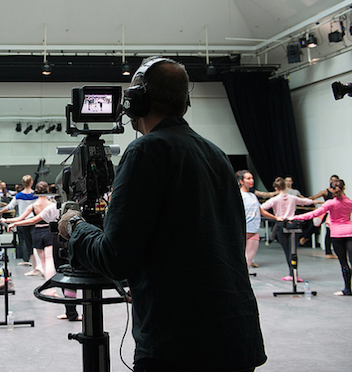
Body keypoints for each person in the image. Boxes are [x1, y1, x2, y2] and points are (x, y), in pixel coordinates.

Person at [58, 57, 266, 371]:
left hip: (178, 344)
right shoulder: (216, 154)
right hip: (237, 337)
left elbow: (116, 258)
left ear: (135, 102)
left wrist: (74, 226)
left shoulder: (146, 151)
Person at [293, 179, 352, 296]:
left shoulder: (330, 203)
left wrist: (295, 217)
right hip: (350, 233)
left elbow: (313, 214)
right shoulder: (349, 202)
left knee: (344, 263)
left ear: (331, 190)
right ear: (344, 188)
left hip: (336, 235)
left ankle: (347, 289)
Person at [4, 181, 57, 291]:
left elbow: (21, 219)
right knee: (49, 260)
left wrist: (8, 220)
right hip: (49, 232)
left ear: (36, 191)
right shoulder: (52, 205)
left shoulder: (33, 206)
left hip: (37, 233)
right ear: (47, 190)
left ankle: (46, 285)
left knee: (43, 262)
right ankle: (51, 289)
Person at [260, 177, 316, 281]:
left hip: (282, 224)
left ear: (276, 189)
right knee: (293, 250)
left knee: (287, 251)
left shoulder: (274, 199)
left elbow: (262, 208)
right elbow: (305, 202)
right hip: (293, 224)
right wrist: (314, 201)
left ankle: (292, 273)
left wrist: (274, 217)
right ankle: (294, 273)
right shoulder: (292, 197)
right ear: (285, 186)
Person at [237, 170, 279, 271]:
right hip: (242, 231)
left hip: (253, 231)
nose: (251, 180)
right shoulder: (239, 195)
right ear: (241, 181)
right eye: (248, 178)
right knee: (239, 260)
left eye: (252, 178)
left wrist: (276, 218)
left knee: (248, 261)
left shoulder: (253, 196)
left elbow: (261, 211)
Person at [0, 175, 38, 267]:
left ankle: (25, 259)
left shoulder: (19, 195)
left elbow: (9, 206)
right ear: (31, 183)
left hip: (21, 220)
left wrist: (0, 211)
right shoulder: (35, 195)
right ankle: (34, 260)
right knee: (33, 240)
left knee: (23, 240)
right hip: (33, 219)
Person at [308, 174, 340, 258]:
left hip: (335, 214)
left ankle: (304, 237)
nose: (334, 182)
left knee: (329, 232)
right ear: (330, 181)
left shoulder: (338, 192)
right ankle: (328, 252)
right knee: (322, 228)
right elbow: (314, 196)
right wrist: (306, 200)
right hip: (327, 213)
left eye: (336, 181)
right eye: (332, 180)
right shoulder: (325, 192)